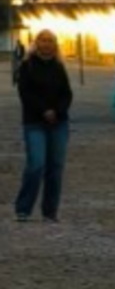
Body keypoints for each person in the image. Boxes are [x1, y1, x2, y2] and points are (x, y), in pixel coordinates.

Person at [15, 29, 73, 223]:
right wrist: (44, 110)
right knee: (36, 165)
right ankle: (23, 208)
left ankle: (49, 211)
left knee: (55, 167)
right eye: (43, 40)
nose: (46, 44)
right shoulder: (27, 66)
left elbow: (67, 93)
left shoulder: (59, 66)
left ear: (55, 44)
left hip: (59, 122)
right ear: (36, 43)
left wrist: (57, 110)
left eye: (50, 41)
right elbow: (25, 93)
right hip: (34, 122)